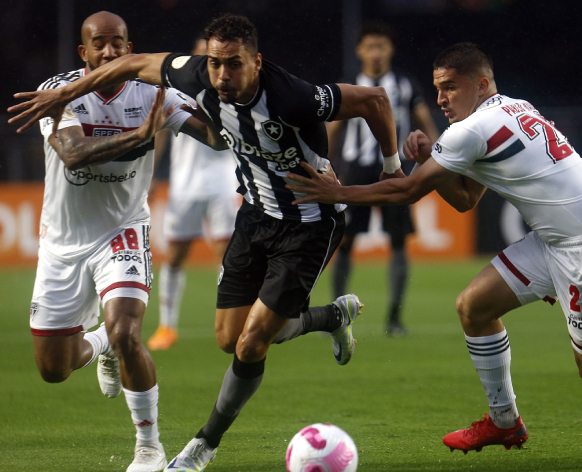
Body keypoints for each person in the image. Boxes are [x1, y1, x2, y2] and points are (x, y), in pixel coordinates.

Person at [8, 14, 402, 471]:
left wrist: (391, 168)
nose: (221, 76)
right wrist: (69, 96)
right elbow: (106, 110)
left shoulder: (291, 95)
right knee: (226, 339)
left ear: (255, 62)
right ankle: (329, 315)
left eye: (233, 65)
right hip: (247, 217)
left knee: (246, 341)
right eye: (215, 64)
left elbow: (372, 99)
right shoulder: (184, 76)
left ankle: (193, 448)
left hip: (304, 222)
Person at [286, 42, 582, 463]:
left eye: (451, 87)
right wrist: (424, 159)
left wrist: (338, 191)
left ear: (483, 84)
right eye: (438, 88)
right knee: (474, 307)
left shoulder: (472, 129)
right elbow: (467, 198)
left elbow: (408, 191)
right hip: (555, 242)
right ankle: (504, 421)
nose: (440, 99)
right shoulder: (511, 108)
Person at [18, 11, 215, 472]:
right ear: (83, 53)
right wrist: (139, 137)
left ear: (130, 48)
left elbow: (215, 138)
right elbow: (72, 155)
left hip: (124, 230)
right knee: (54, 369)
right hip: (64, 243)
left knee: (129, 331)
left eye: (118, 43)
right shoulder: (59, 91)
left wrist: (222, 106)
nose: (109, 51)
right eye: (99, 44)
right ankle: (100, 343)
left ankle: (149, 448)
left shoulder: (153, 93)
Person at [327, 21, 439, 336]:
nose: (376, 53)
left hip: (396, 171)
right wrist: (325, 163)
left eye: (382, 46)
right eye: (370, 47)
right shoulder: (349, 83)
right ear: (360, 51)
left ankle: (394, 318)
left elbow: (426, 122)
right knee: (345, 241)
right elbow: (333, 128)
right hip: (355, 171)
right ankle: (335, 314)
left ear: (390, 50)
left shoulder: (404, 83)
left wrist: (441, 154)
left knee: (398, 241)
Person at [147, 39, 239, 351]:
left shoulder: (229, 89)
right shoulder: (179, 91)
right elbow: (160, 128)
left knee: (226, 254)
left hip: (224, 183)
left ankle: (227, 323)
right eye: (201, 54)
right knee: (175, 256)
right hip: (184, 183)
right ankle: (167, 326)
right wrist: (151, 174)